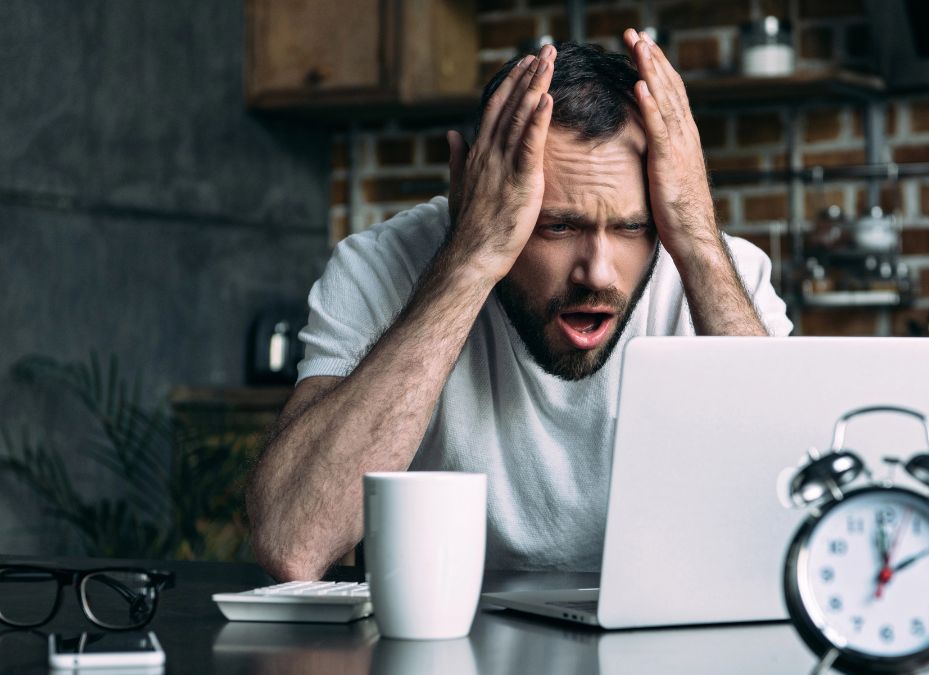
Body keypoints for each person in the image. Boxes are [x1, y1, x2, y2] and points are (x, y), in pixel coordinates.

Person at [247, 29, 791, 581]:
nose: (598, 273)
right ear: (468, 191)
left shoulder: (725, 274)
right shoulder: (381, 265)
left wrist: (697, 238)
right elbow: (295, 542)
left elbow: (796, 515)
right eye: (556, 226)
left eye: (633, 226)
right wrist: (470, 257)